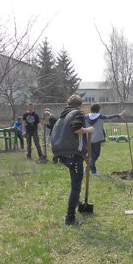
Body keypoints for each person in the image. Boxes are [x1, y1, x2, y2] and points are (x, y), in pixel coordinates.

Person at [51, 95, 94, 226]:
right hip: (72, 153)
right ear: (80, 105)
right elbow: (76, 129)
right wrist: (89, 129)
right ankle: (70, 219)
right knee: (76, 186)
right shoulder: (78, 113)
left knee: (74, 181)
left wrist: (84, 153)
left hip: (62, 152)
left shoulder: (62, 116)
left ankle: (78, 203)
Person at [86, 104, 125, 176]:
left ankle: (86, 170)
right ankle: (93, 172)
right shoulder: (100, 116)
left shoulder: (86, 117)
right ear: (98, 110)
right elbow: (109, 117)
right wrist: (118, 115)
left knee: (92, 155)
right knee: (95, 156)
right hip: (97, 138)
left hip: (88, 139)